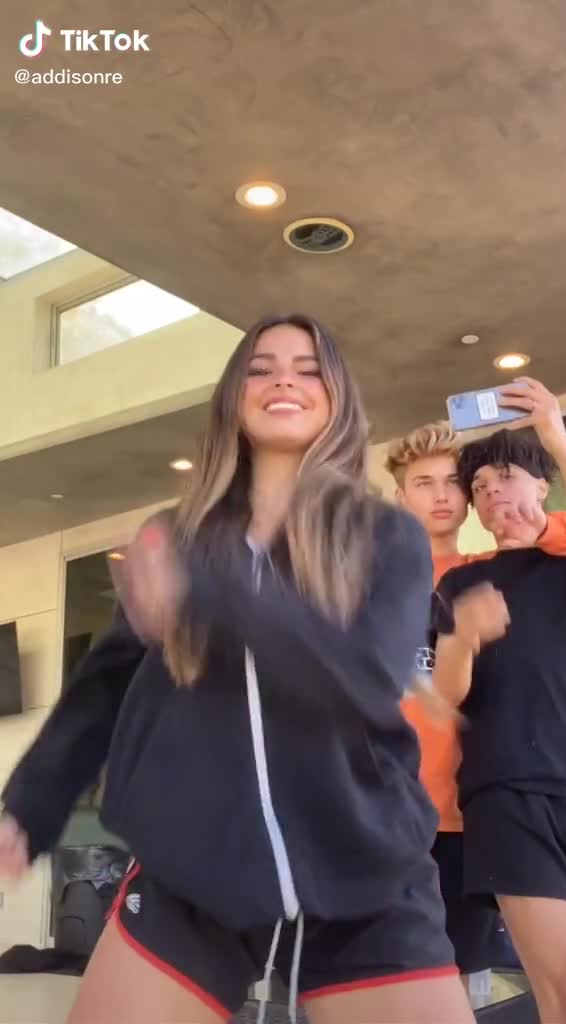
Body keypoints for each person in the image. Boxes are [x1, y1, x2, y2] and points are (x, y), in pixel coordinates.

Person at [0, 314, 473, 1024]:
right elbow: (103, 689)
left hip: (365, 870)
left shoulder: (387, 537)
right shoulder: (178, 537)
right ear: (233, 397)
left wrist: (208, 596)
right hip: (192, 875)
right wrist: (31, 806)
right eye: (260, 368)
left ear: (337, 397)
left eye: (308, 369)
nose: (284, 379)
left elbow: (366, 676)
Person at [384, 389, 566, 998]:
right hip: (393, 811)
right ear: (400, 496)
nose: (443, 495)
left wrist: (553, 442)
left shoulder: (504, 566)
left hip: (476, 813)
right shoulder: (369, 586)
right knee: (388, 982)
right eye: (424, 483)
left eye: (454, 482)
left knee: (468, 988)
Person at [433, 420, 566, 1024]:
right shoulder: (461, 582)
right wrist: (463, 638)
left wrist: (555, 436)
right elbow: (445, 695)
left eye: (506, 476)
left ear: (544, 485)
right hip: (506, 793)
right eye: (480, 486)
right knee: (565, 988)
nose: (492, 490)